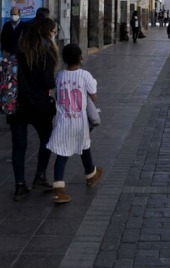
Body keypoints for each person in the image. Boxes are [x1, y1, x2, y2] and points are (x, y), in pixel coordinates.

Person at [46, 44, 103, 203]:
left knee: (62, 154)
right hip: (79, 121)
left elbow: (56, 94)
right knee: (84, 145)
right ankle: (91, 174)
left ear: (64, 59)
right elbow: (94, 96)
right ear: (81, 57)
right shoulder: (85, 75)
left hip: (63, 121)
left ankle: (59, 188)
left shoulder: (60, 76)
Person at [10, 17, 58, 201]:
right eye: (53, 31)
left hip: (16, 104)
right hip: (39, 105)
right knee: (47, 140)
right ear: (46, 31)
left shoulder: (19, 48)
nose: (54, 34)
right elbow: (48, 81)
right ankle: (40, 176)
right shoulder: (47, 51)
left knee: (19, 146)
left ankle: (20, 186)